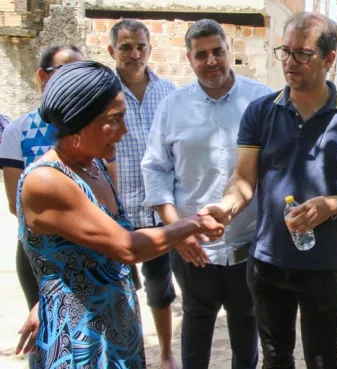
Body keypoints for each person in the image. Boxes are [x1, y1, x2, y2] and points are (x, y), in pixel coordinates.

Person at [199, 12, 337, 369]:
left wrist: (332, 205)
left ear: (330, 59)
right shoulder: (260, 112)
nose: (290, 62)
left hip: (325, 265)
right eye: (285, 51)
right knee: (275, 358)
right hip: (269, 261)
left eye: (302, 53)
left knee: (323, 360)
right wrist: (225, 209)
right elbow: (243, 179)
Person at [15, 60, 224, 368]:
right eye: (115, 119)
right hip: (76, 342)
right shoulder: (47, 181)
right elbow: (127, 247)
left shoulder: (94, 167)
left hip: (114, 330)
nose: (124, 130)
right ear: (80, 121)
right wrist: (192, 224)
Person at [142, 19, 273, 369]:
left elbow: (274, 167)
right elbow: (155, 169)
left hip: (249, 243)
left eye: (218, 51)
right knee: (197, 320)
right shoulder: (172, 106)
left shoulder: (261, 100)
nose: (211, 61)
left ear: (230, 52)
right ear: (189, 58)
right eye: (202, 55)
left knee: (247, 323)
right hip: (193, 247)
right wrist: (177, 232)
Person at [0, 44, 84, 368]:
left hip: (92, 248)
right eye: (62, 72)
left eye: (79, 73)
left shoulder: (90, 128)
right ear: (41, 77)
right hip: (39, 253)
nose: (72, 82)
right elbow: (15, 204)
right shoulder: (18, 130)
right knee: (47, 335)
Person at [107, 19, 179, 368]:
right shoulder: (103, 93)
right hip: (114, 212)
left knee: (159, 289)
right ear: (111, 51)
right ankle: (127, 356)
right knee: (118, 291)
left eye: (140, 46)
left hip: (157, 213)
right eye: (125, 47)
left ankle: (165, 354)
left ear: (150, 49)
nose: (134, 54)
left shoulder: (169, 93)